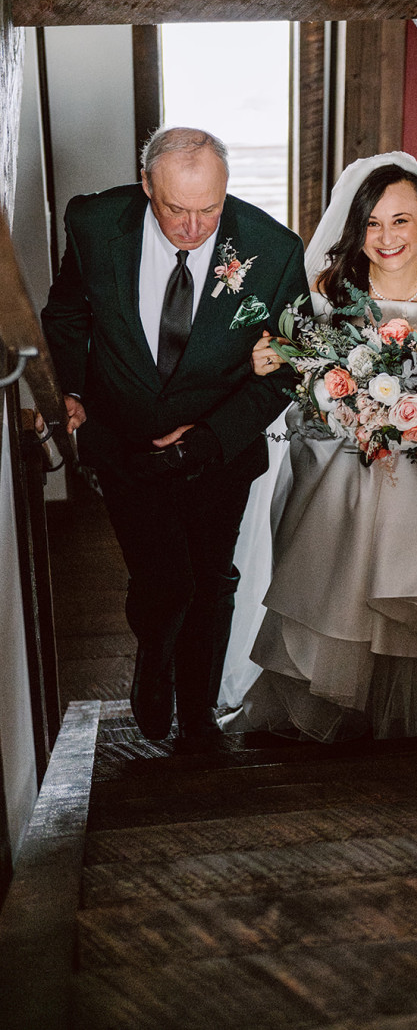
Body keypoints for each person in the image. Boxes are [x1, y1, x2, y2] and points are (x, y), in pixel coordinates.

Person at [221, 151, 417, 741]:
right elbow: (309, 369)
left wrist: (415, 421)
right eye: (371, 223)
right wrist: (322, 385)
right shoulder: (329, 285)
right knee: (347, 512)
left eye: (400, 220)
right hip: (344, 443)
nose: (386, 237)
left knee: (413, 515)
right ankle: (333, 696)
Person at [42, 127, 309, 742]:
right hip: (124, 441)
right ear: (146, 187)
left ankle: (197, 713)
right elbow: (68, 311)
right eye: (175, 209)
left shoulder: (274, 250)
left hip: (219, 448)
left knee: (214, 581)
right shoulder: (92, 223)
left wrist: (211, 436)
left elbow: (292, 365)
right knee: (163, 578)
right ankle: (153, 666)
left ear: (226, 193)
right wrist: (71, 390)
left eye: (209, 210)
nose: (193, 228)